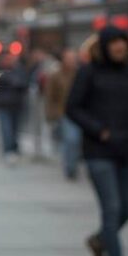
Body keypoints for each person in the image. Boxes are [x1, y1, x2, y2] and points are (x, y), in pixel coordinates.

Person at [65, 26, 128, 256]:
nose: (119, 47)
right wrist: (99, 130)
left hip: (127, 149)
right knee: (111, 209)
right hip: (99, 151)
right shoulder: (89, 72)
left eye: (123, 42)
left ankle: (99, 241)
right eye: (114, 43)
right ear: (105, 47)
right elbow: (72, 108)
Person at [0, 48, 31, 164]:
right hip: (3, 105)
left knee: (15, 129)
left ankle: (14, 148)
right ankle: (8, 150)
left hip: (17, 104)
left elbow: (25, 83)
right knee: (6, 129)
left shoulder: (19, 70)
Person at [46, 48, 82, 180]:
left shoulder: (80, 73)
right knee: (70, 140)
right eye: (69, 58)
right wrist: (51, 114)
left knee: (75, 141)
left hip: (80, 112)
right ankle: (70, 167)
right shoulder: (56, 75)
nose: (71, 61)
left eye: (73, 58)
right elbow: (50, 96)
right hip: (64, 112)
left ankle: (73, 164)